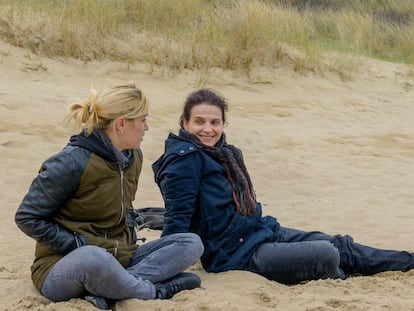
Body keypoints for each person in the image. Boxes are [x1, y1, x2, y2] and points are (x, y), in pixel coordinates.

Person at [152, 88, 414, 285]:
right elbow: (177, 221)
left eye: (214, 122)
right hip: (234, 254)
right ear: (185, 123)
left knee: (340, 244)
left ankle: (409, 261)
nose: (207, 129)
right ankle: (340, 275)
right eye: (199, 121)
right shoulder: (183, 161)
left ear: (223, 124)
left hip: (261, 230)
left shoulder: (225, 153)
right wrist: (162, 270)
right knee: (327, 255)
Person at [15, 82, 204, 310]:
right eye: (143, 120)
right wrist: (76, 243)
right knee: (93, 258)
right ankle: (153, 291)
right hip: (65, 265)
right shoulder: (70, 162)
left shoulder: (134, 157)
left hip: (121, 256)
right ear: (121, 124)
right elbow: (26, 217)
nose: (147, 127)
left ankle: (112, 288)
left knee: (191, 243)